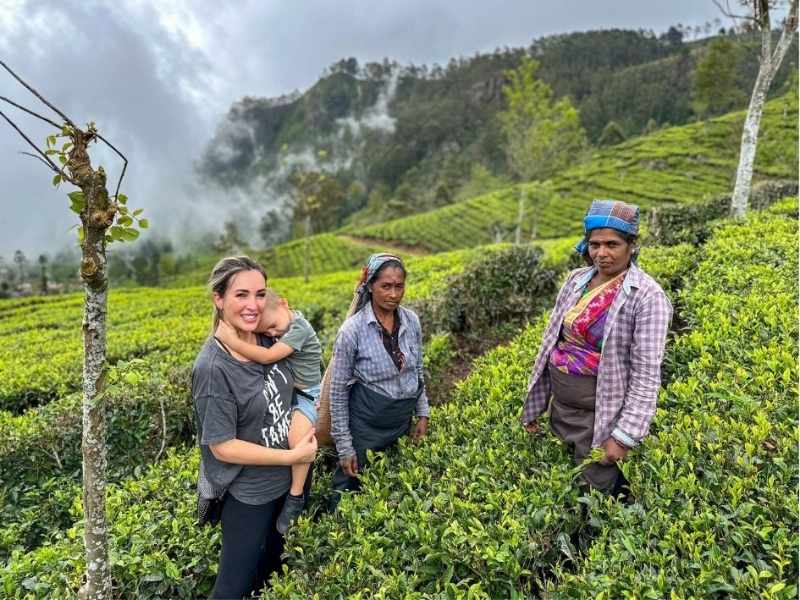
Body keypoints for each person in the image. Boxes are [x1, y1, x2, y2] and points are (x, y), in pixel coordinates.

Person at [521, 200, 672, 496]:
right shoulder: (576, 280)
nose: (602, 253)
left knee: (593, 501)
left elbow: (646, 374)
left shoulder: (647, 296)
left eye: (612, 244)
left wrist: (624, 437)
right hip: (560, 411)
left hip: (600, 422)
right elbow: (551, 343)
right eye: (595, 244)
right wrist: (535, 405)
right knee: (558, 492)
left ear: (631, 244)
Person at [192, 256, 318, 599]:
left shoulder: (265, 337)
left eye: (260, 294)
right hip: (250, 494)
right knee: (233, 587)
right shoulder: (213, 368)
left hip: (290, 481)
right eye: (241, 295)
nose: (253, 305)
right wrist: (291, 455)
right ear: (219, 299)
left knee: (273, 572)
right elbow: (222, 446)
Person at [215, 288, 322, 533]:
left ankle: (295, 498)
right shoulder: (284, 322)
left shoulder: (298, 329)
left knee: (298, 440)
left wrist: (231, 340)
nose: (273, 334)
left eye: (273, 326)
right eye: (267, 332)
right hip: (292, 391)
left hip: (309, 395)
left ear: (284, 304)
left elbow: (267, 356)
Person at [328, 253, 430, 507]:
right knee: (348, 491)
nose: (393, 294)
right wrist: (345, 447)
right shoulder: (352, 331)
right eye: (386, 286)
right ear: (371, 285)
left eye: (399, 286)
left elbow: (417, 370)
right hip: (365, 427)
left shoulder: (412, 321)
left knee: (391, 490)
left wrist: (423, 414)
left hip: (400, 422)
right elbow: (338, 391)